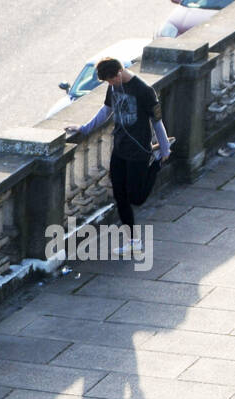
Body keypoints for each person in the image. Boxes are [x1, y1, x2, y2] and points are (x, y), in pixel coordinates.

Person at [66, 57, 172, 253]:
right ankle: (133, 241)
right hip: (120, 148)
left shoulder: (144, 91)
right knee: (120, 196)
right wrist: (84, 129)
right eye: (107, 82)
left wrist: (164, 149)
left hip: (139, 150)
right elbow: (106, 111)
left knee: (136, 198)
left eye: (111, 80)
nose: (111, 84)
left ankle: (156, 163)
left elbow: (157, 121)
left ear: (119, 72)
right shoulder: (113, 87)